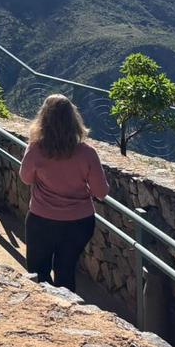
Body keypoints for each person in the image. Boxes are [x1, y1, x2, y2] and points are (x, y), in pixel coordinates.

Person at [19, 94, 110, 291]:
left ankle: (44, 315)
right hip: (79, 223)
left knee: (38, 272)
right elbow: (101, 192)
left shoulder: (35, 149)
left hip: (42, 220)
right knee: (66, 270)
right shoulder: (87, 153)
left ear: (43, 119)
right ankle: (66, 311)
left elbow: (26, 178)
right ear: (74, 119)